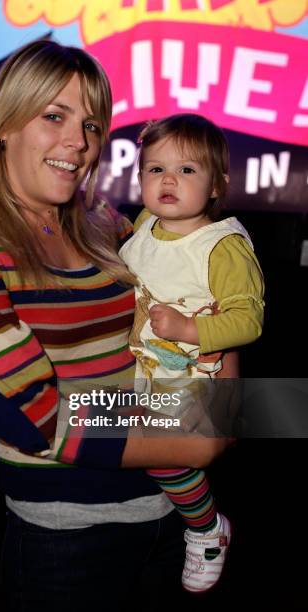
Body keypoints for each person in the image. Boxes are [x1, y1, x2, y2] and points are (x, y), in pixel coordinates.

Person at [0, 43, 232, 610]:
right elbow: (30, 414)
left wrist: (227, 407)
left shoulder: (103, 219)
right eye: (53, 116)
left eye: (91, 123)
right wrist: (191, 429)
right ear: (4, 125)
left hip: (173, 514)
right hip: (69, 538)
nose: (79, 143)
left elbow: (204, 305)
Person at [119, 113, 264, 593]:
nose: (168, 181)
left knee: (161, 457)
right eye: (155, 169)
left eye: (187, 170)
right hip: (146, 377)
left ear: (218, 183)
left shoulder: (221, 247)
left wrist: (188, 327)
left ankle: (206, 529)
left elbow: (248, 320)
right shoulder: (144, 224)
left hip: (194, 384)